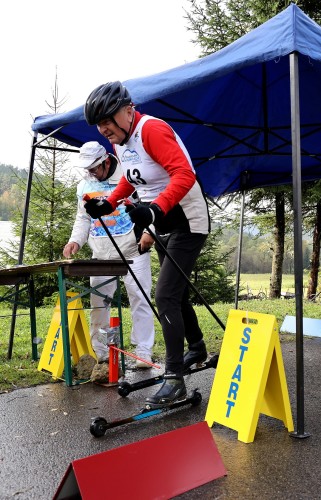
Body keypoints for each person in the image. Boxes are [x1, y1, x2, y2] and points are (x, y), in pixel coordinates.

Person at [83, 81, 210, 407]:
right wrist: (109, 203)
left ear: (128, 111)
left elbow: (184, 175)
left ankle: (173, 379)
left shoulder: (151, 129)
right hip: (164, 222)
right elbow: (130, 177)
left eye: (107, 120)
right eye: (99, 124)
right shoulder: (123, 142)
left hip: (188, 221)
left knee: (165, 294)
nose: (103, 128)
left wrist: (153, 210)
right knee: (175, 290)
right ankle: (195, 346)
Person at [63, 141, 156, 369]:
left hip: (133, 249)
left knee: (140, 298)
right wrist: (75, 240)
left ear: (106, 161)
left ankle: (143, 352)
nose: (91, 173)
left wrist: (149, 232)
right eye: (88, 169)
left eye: (94, 168)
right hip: (101, 253)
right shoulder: (84, 185)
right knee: (99, 303)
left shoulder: (128, 176)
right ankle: (103, 352)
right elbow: (83, 218)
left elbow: (149, 206)